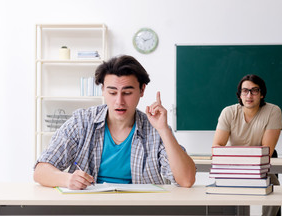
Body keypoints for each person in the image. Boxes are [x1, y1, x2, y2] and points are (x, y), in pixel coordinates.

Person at [34, 55, 196, 189]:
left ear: (142, 90)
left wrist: (164, 131)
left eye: (127, 92)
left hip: (142, 215)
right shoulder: (81, 122)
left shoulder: (155, 128)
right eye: (112, 92)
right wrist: (67, 180)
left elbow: (186, 180)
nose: (119, 101)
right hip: (88, 213)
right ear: (103, 90)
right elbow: (40, 171)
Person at [212, 74, 282, 216]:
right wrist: (239, 160)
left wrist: (236, 155)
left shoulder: (273, 111)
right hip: (233, 167)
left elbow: (266, 150)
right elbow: (217, 147)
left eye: (254, 91)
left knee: (275, 187)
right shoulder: (228, 112)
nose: (249, 95)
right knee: (215, 188)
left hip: (261, 168)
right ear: (239, 94)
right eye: (245, 91)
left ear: (262, 94)